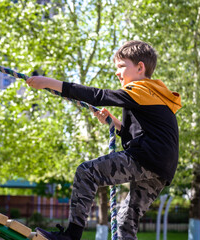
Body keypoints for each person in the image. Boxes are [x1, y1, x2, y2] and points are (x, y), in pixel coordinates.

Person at [26, 40, 182, 240]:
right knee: (126, 220)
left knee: (87, 172)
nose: (117, 72)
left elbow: (97, 96)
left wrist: (50, 83)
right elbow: (145, 134)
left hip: (147, 158)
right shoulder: (156, 94)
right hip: (162, 167)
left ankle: (71, 235)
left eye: (121, 66)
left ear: (140, 67)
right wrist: (115, 123)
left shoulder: (141, 89)